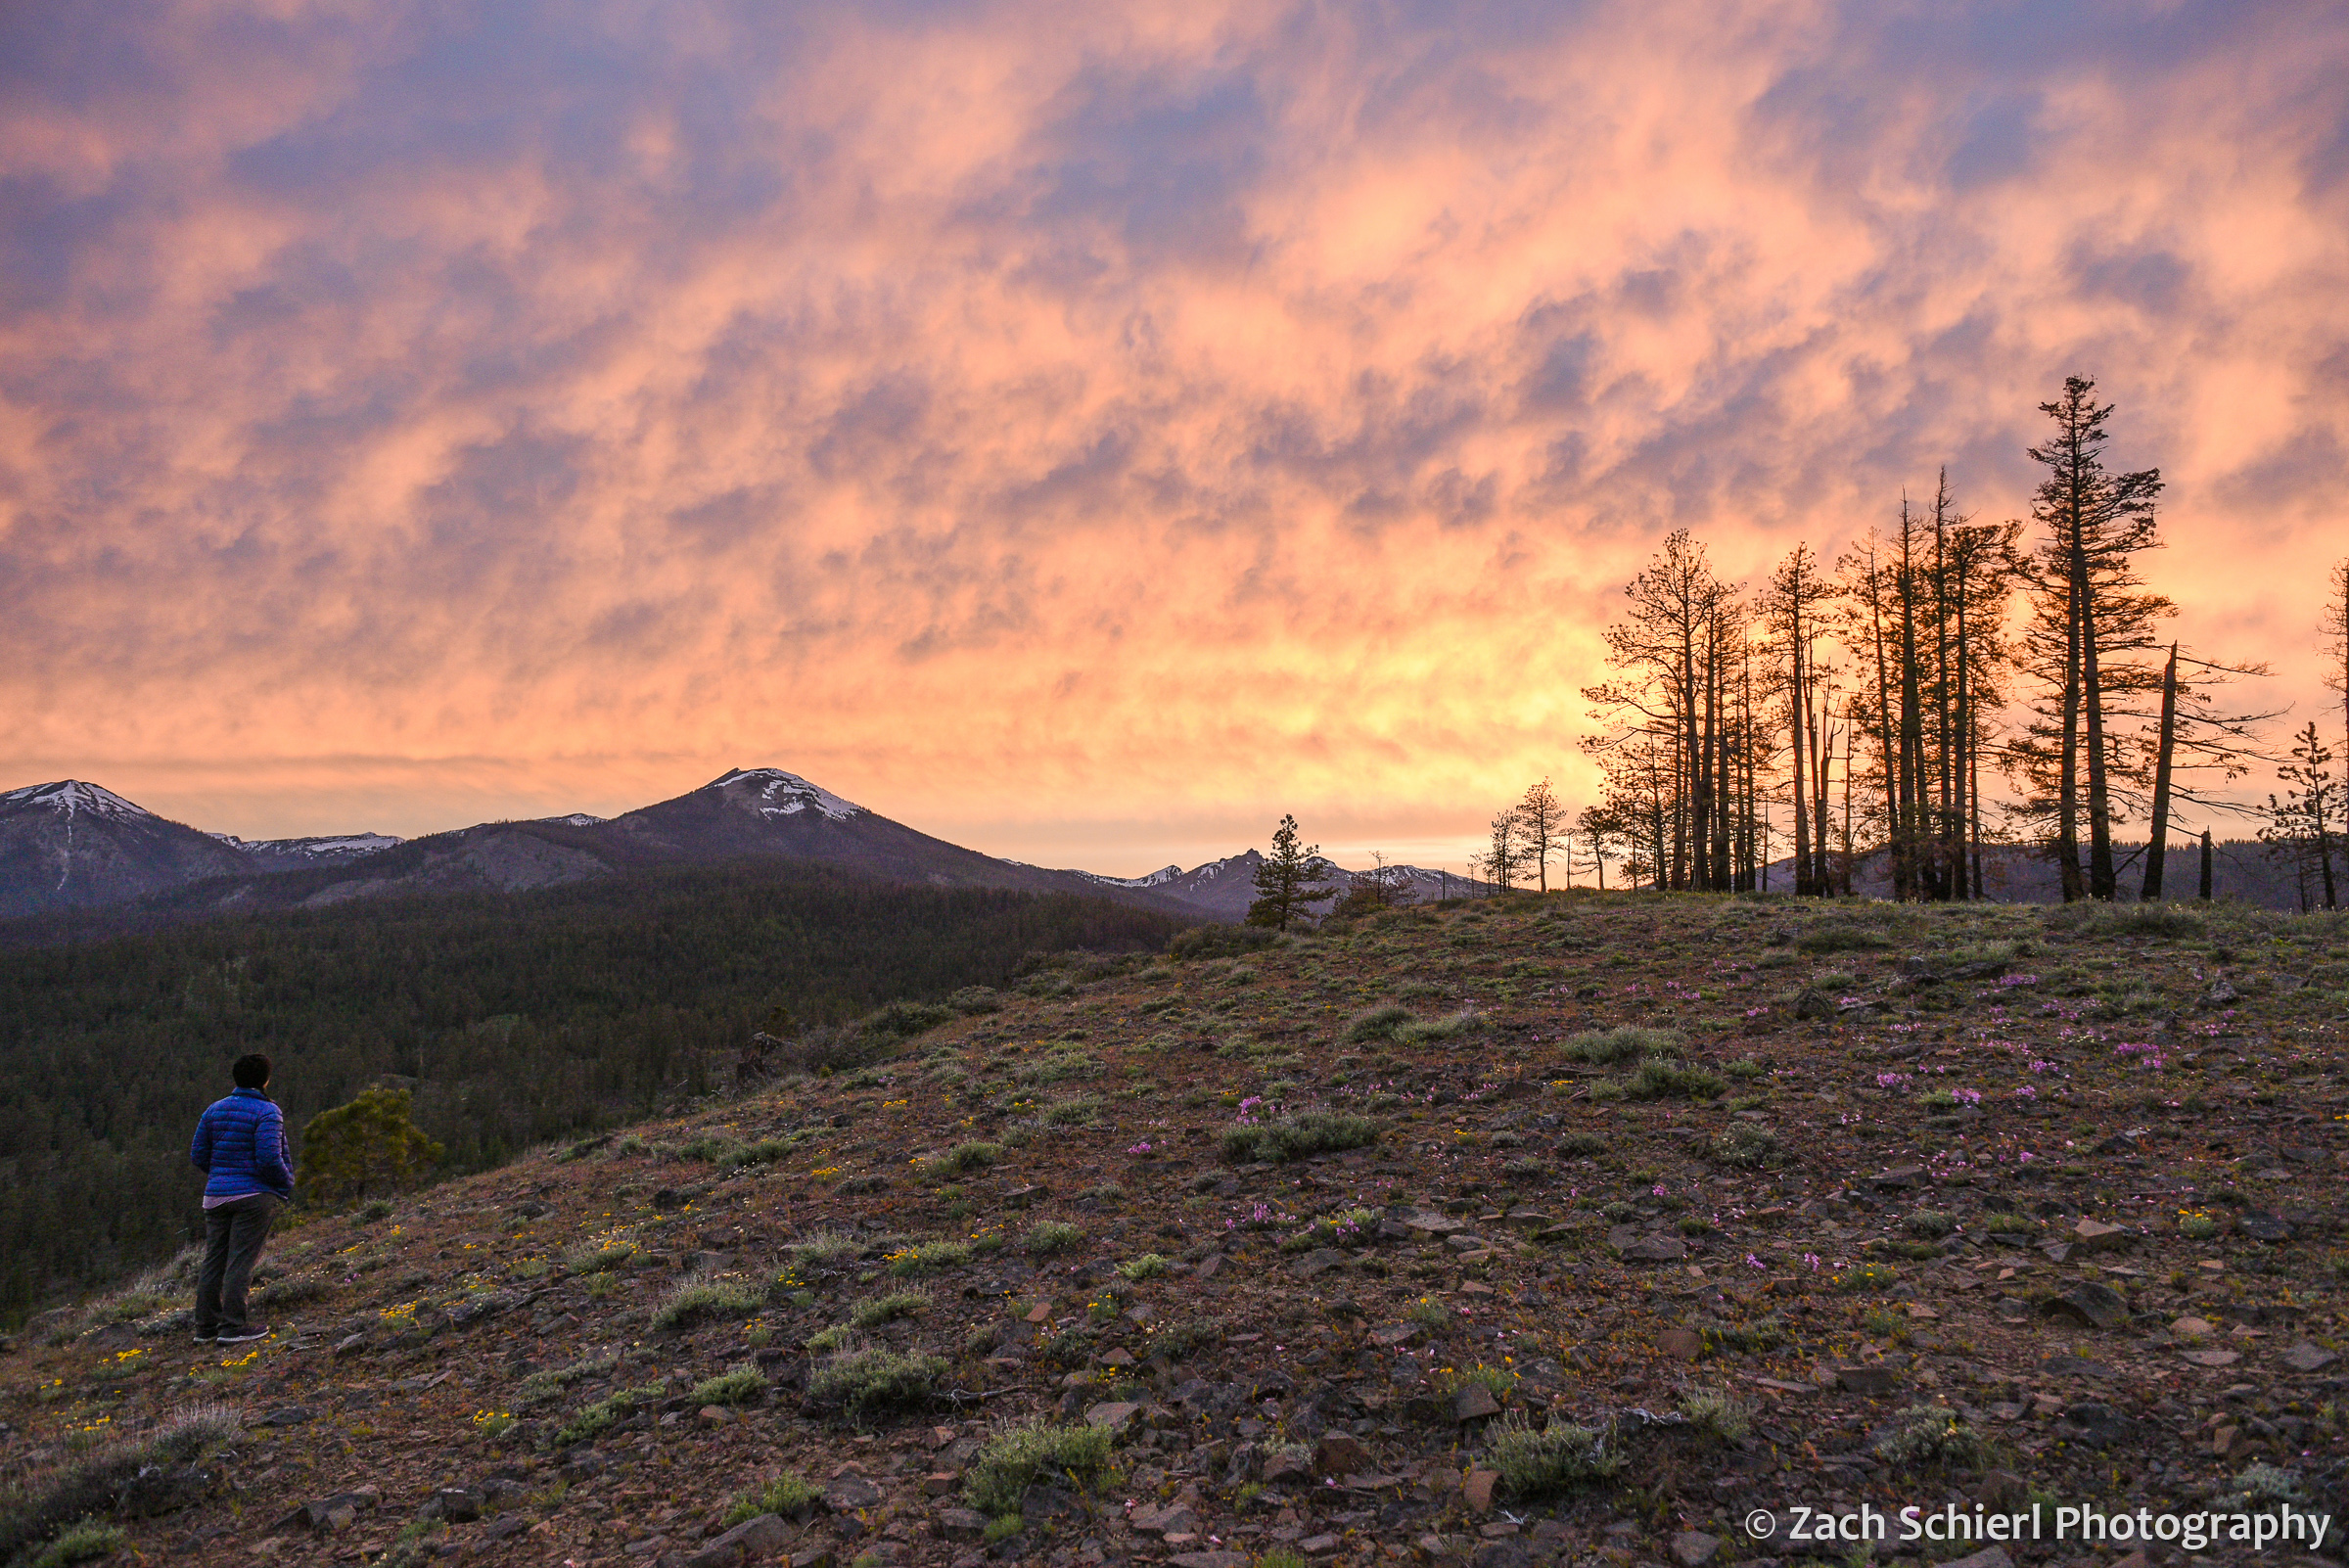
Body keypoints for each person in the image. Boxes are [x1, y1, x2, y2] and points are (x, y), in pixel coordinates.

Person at [190, 1052, 294, 1344]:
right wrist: (286, 1183)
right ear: (265, 1080)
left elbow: (198, 1154)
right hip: (252, 1196)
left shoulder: (214, 1110)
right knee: (241, 1262)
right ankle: (233, 1326)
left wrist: (221, 1175)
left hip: (216, 1196)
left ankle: (205, 1328)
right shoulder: (268, 1112)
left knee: (213, 1261)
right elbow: (269, 1159)